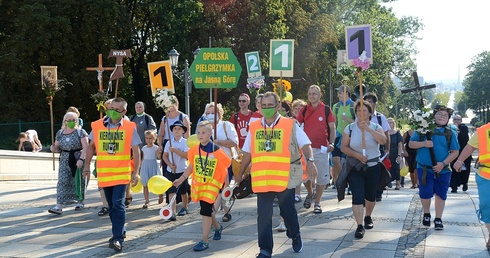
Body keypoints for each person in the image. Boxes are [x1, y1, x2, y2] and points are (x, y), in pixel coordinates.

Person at [236, 91, 318, 258]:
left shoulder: (290, 125)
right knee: (263, 215)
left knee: (287, 211)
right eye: (263, 106)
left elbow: (306, 143)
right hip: (262, 179)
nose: (266, 109)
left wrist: (310, 161)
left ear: (278, 106)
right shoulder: (255, 126)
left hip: (283, 178)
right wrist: (240, 173)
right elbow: (247, 153)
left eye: (270, 105)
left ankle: (295, 234)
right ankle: (265, 250)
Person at [82, 97, 141, 252]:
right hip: (105, 173)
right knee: (111, 206)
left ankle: (117, 238)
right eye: (111, 108)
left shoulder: (129, 127)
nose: (112, 112)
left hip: (122, 174)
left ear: (124, 112)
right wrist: (87, 166)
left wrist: (136, 173)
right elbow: (90, 147)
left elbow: (136, 151)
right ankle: (120, 229)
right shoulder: (97, 125)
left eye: (116, 110)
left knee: (118, 203)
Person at [173, 121, 231, 252]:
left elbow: (225, 168)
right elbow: (191, 167)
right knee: (208, 210)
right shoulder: (194, 150)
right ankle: (217, 228)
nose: (200, 135)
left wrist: (226, 187)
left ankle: (204, 240)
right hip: (199, 184)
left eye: (203, 132)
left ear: (210, 134)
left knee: (205, 210)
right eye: (198, 132)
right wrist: (181, 178)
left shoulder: (217, 151)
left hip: (212, 186)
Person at [340, 100, 387, 239]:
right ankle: (359, 225)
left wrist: (367, 129)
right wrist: (357, 155)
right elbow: (344, 147)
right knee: (357, 196)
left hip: (373, 166)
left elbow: (383, 141)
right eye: (359, 111)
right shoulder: (349, 128)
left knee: (370, 196)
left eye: (364, 111)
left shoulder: (376, 126)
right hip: (356, 166)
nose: (361, 113)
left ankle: (368, 216)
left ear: (370, 113)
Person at [409, 105, 459, 230]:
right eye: (439, 114)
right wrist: (424, 144)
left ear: (448, 119)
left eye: (445, 116)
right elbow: (411, 144)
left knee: (441, 194)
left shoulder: (450, 133)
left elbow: (455, 152)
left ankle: (438, 218)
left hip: (443, 170)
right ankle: (426, 213)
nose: (442, 117)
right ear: (433, 116)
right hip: (424, 168)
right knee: (425, 193)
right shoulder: (422, 129)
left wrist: (442, 164)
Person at [295, 85, 336, 214]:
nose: (312, 96)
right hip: (306, 149)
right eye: (310, 94)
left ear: (320, 95)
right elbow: (296, 126)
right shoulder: (304, 110)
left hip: (321, 148)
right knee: (305, 176)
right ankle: (310, 192)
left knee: (322, 177)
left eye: (314, 94)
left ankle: (317, 202)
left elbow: (332, 128)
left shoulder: (326, 110)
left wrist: (332, 143)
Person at [453, 121, 490, 249]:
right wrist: (459, 160)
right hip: (486, 174)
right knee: (487, 206)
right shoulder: (484, 130)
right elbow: (470, 147)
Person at [48, 112, 89, 214]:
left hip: (77, 158)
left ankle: (80, 201)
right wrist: (53, 148)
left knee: (79, 181)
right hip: (64, 159)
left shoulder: (81, 132)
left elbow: (86, 147)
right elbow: (57, 147)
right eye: (69, 120)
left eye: (73, 120)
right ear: (65, 121)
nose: (71, 122)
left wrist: (81, 159)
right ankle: (59, 205)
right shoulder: (60, 133)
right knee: (62, 180)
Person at [205, 102, 239, 222]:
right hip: (211, 163)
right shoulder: (205, 128)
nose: (210, 115)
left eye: (213, 113)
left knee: (222, 188)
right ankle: (225, 211)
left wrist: (219, 142)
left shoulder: (226, 125)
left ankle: (213, 212)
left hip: (226, 162)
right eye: (208, 113)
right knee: (217, 188)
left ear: (219, 114)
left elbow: (235, 142)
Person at [128, 101, 157, 206]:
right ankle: (129, 192)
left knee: (144, 169)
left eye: (140, 106)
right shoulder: (131, 118)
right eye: (136, 106)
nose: (138, 108)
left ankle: (154, 193)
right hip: (133, 149)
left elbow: (152, 130)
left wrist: (148, 143)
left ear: (143, 107)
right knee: (132, 169)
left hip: (144, 149)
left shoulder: (147, 118)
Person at [363, 92, 390, 201]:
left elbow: (386, 134)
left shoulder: (380, 117)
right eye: (366, 102)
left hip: (378, 148)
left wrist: (387, 148)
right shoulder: (360, 116)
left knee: (378, 172)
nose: (367, 104)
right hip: (365, 148)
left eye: (370, 102)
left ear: (375, 104)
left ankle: (378, 191)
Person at [162, 121, 189, 219]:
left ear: (182, 131)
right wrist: (169, 164)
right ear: (172, 131)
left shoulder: (185, 142)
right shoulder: (169, 142)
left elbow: (187, 156)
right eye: (175, 129)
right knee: (171, 191)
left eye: (179, 128)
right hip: (171, 170)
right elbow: (165, 156)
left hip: (182, 171)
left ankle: (185, 207)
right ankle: (172, 212)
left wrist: (175, 150)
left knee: (183, 191)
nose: (177, 130)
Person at [332, 85, 355, 190]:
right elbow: (334, 123)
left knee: (348, 161)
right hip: (338, 135)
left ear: (347, 93)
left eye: (340, 92)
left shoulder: (353, 106)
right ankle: (342, 181)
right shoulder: (336, 106)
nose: (338, 95)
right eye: (338, 93)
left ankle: (349, 181)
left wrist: (348, 119)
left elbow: (359, 123)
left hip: (350, 136)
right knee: (335, 159)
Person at [140, 130, 163, 209]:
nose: (148, 140)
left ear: (155, 139)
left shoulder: (156, 148)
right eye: (147, 138)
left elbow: (158, 157)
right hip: (145, 166)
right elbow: (143, 158)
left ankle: (160, 195)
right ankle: (147, 201)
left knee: (156, 182)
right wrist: (140, 167)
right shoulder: (143, 148)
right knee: (145, 184)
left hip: (153, 165)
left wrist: (159, 153)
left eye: (151, 138)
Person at [450, 114, 472, 193]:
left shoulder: (463, 127)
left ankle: (465, 183)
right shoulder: (450, 128)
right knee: (454, 169)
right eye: (455, 119)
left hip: (464, 151)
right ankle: (454, 186)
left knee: (465, 170)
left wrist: (458, 132)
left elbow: (464, 138)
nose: (456, 121)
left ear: (461, 121)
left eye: (458, 119)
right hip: (454, 152)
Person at [387, 118, 404, 190]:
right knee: (386, 168)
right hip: (387, 153)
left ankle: (398, 184)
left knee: (396, 168)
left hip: (395, 153)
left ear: (393, 124)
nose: (389, 124)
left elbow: (400, 145)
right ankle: (385, 183)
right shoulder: (384, 133)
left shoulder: (397, 133)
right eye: (388, 122)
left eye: (391, 122)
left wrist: (399, 155)